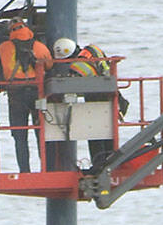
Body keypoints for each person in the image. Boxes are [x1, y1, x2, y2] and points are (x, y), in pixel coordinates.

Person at [49, 37, 119, 166]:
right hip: (109, 97)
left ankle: (99, 165)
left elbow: (73, 84)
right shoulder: (91, 49)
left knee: (95, 135)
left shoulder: (78, 65)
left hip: (96, 99)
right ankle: (111, 163)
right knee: (109, 134)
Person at [0, 17, 51, 173]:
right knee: (41, 133)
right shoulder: (39, 47)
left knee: (20, 136)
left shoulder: (4, 47)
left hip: (16, 94)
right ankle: (45, 169)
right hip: (36, 92)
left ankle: (25, 170)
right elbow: (49, 64)